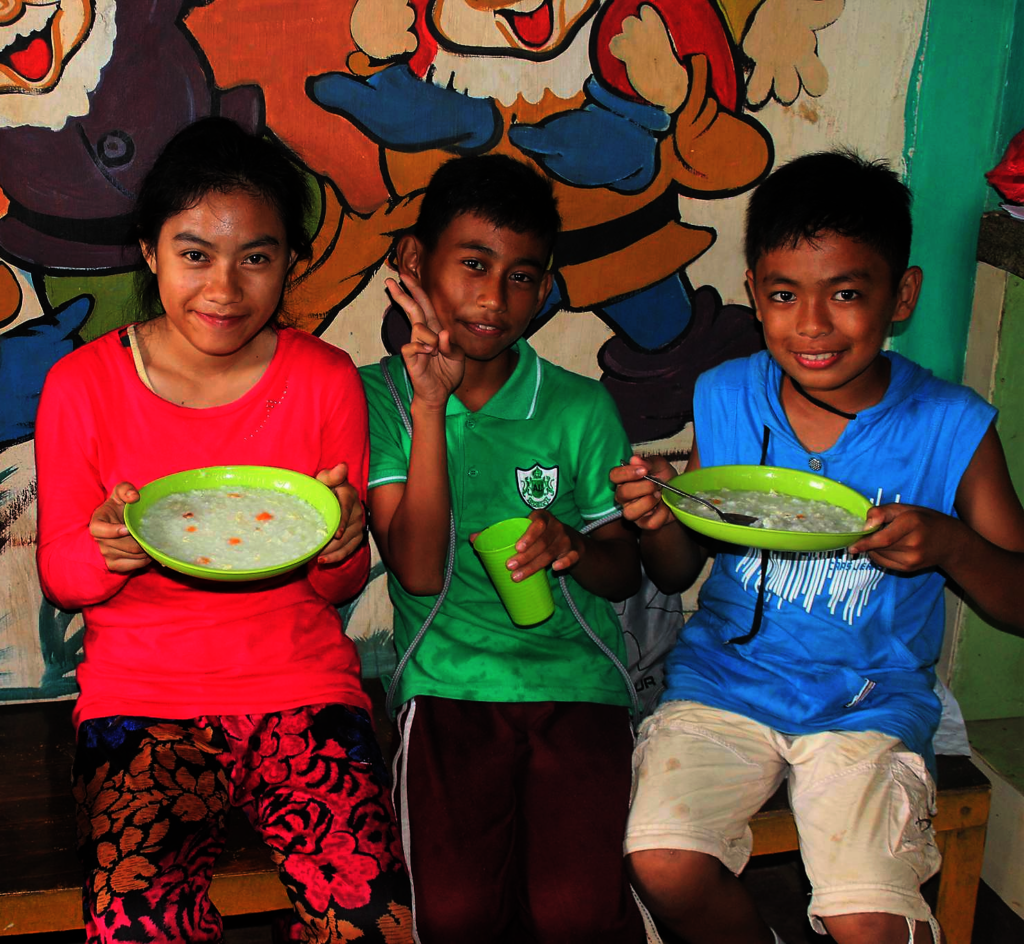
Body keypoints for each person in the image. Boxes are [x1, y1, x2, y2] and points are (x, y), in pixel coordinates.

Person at [611, 150, 1024, 944]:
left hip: (866, 702)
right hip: (724, 685)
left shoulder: (951, 425)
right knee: (662, 859)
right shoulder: (727, 395)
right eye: (782, 296)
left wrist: (950, 546)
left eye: (845, 294)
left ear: (900, 295)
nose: (811, 326)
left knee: (863, 915)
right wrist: (661, 519)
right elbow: (682, 566)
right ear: (753, 297)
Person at [34, 117, 412, 944]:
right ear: (150, 252)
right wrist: (108, 549)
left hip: (301, 689)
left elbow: (339, 587)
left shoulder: (324, 379)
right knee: (136, 926)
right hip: (140, 699)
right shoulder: (82, 384)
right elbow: (62, 576)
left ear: (289, 264)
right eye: (194, 253)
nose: (224, 288)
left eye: (257, 257)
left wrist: (344, 546)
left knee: (369, 922)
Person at [359, 154, 648, 943]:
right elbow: (416, 570)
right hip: (449, 686)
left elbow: (623, 571)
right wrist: (429, 407)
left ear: (546, 290)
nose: (494, 298)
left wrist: (571, 548)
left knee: (573, 914)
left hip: (577, 686)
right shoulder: (379, 396)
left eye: (522, 277)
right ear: (415, 264)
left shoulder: (578, 406)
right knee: (454, 916)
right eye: (474, 266)